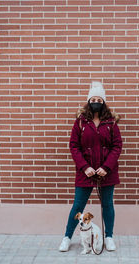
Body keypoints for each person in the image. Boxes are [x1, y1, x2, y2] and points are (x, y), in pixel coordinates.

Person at [59, 81, 122, 252]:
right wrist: (85, 167)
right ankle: (67, 237)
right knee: (78, 205)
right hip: (84, 172)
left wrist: (106, 167)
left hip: (106, 173)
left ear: (103, 102)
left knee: (107, 204)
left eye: (99, 99)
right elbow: (74, 146)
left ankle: (109, 237)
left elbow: (117, 146)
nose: (96, 102)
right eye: (93, 99)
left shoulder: (111, 122)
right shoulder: (80, 122)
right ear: (88, 101)